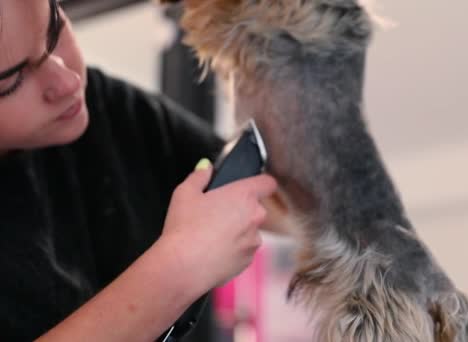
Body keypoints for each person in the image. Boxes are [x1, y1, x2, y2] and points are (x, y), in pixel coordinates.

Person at [0, 0, 279, 341]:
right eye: (12, 82)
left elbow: (282, 202)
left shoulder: (95, 109)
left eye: (55, 29)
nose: (68, 80)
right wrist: (181, 267)